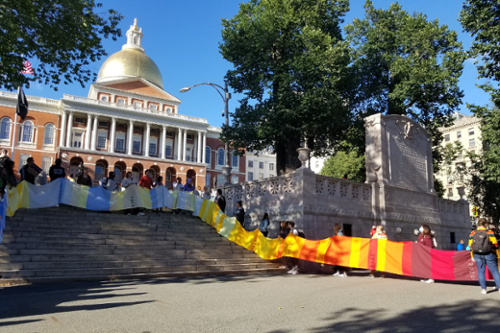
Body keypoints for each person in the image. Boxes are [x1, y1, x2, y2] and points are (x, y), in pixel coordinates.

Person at [469, 218, 500, 295]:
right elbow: (495, 244)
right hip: (489, 254)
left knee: (481, 271)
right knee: (495, 271)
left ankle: (483, 289)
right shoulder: (489, 232)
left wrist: (472, 255)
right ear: (485, 224)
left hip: (477, 255)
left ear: (478, 224)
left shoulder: (472, 233)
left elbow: (470, 245)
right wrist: (498, 254)